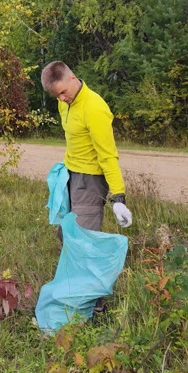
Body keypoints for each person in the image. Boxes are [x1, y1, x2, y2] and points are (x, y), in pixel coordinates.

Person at [41, 61, 133, 312]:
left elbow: (108, 155)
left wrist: (118, 197)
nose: (61, 98)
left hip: (91, 181)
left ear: (72, 77)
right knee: (65, 235)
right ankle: (83, 294)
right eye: (56, 95)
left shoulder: (95, 108)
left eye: (63, 92)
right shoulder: (65, 104)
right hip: (70, 177)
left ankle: (93, 307)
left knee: (83, 242)